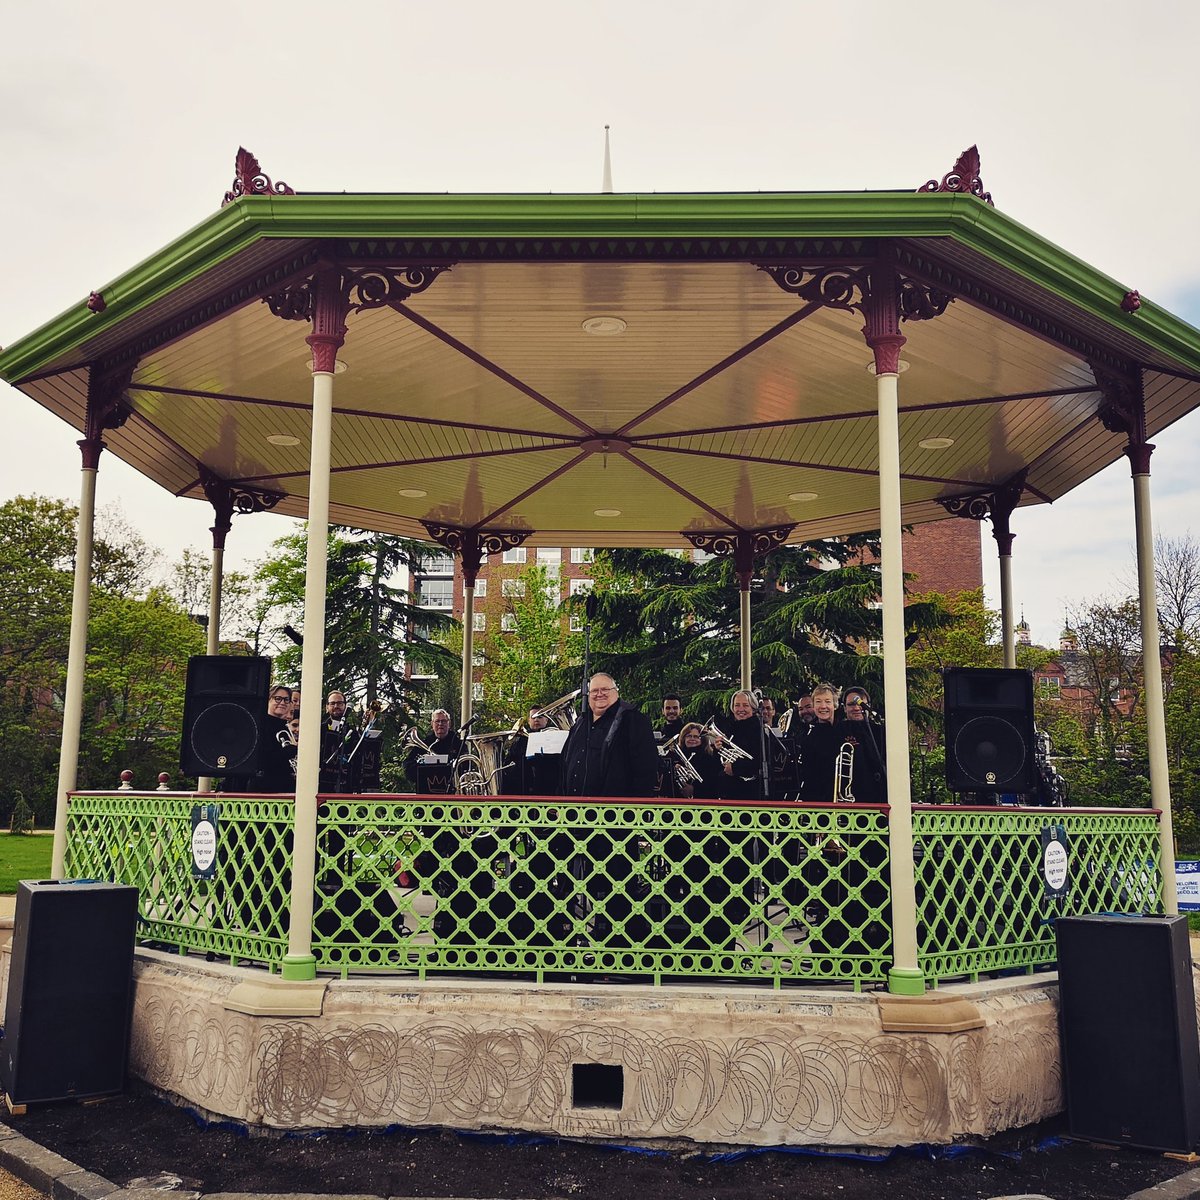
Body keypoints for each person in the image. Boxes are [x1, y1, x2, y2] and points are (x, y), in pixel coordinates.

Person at [560, 674, 659, 798]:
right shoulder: (580, 723)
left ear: (616, 692)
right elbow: (565, 762)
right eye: (594, 691)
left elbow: (646, 768)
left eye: (605, 689)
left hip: (615, 807)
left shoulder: (634, 720)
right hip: (573, 806)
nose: (599, 694)